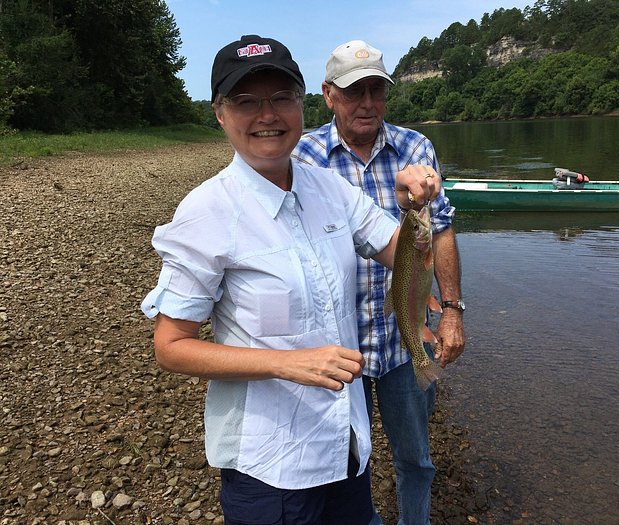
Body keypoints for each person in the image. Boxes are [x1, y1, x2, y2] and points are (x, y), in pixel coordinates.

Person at [140, 35, 441, 525]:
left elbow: (398, 251)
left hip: (345, 444)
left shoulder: (329, 188)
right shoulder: (205, 212)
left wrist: (414, 206)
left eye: (281, 98)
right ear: (220, 113)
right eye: (246, 101)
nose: (267, 115)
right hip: (270, 464)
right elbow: (171, 346)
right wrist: (285, 363)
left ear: (301, 105)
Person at [292, 40, 466, 525]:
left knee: (416, 459)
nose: (367, 103)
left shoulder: (415, 147)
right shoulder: (302, 155)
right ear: (328, 95)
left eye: (376, 90)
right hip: (337, 345)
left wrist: (451, 310)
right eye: (354, 91)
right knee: (348, 462)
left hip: (400, 338)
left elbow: (443, 229)